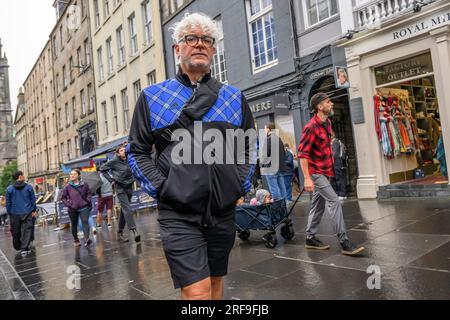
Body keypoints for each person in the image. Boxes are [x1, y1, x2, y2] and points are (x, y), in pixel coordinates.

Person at [127, 12, 255, 300]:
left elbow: (249, 144)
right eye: (190, 38)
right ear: (177, 49)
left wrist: (240, 184)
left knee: (215, 286)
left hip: (222, 212)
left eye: (206, 39)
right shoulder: (152, 97)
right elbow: (136, 150)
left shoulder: (234, 97)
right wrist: (162, 187)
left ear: (213, 48)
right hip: (179, 214)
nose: (199, 43)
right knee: (197, 292)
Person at [298, 92, 364, 256]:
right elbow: (302, 154)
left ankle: (310, 237)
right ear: (320, 107)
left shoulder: (327, 123)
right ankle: (344, 241)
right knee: (334, 201)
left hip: (325, 171)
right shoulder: (310, 127)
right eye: (328, 102)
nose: (332, 103)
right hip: (316, 173)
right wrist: (307, 178)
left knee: (317, 205)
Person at [100, 143, 140, 243]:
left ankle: (119, 232)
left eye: (124, 150)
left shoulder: (129, 158)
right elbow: (102, 169)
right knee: (128, 209)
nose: (124, 151)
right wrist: (111, 180)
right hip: (120, 187)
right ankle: (134, 230)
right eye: (121, 150)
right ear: (118, 153)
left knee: (124, 210)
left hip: (129, 186)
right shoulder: (114, 161)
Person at [5, 171, 37, 256]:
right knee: (27, 230)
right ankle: (24, 248)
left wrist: (10, 212)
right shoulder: (29, 187)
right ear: (20, 176)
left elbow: (8, 203)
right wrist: (34, 210)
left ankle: (18, 246)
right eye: (23, 175)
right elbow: (32, 200)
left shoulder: (9, 189)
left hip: (14, 213)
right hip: (27, 211)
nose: (24, 176)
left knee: (16, 231)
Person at [61, 169, 93, 247]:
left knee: (85, 222)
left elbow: (89, 193)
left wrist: (88, 200)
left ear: (79, 175)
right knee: (74, 224)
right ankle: (76, 239)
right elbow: (63, 198)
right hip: (73, 208)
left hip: (83, 207)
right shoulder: (67, 186)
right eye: (71, 174)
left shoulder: (84, 184)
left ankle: (86, 238)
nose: (72, 175)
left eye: (74, 174)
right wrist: (69, 205)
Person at [260, 123, 288, 201]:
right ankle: (284, 205)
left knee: (274, 188)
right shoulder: (279, 139)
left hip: (271, 167)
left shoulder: (268, 139)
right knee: (282, 186)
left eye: (265, 128)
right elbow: (284, 153)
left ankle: (278, 206)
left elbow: (265, 154)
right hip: (280, 167)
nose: (264, 130)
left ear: (269, 129)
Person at [330, 131, 348, 200]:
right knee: (336, 178)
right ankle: (338, 193)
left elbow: (334, 154)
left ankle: (342, 194)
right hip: (337, 163)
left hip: (337, 163)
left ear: (332, 135)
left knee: (339, 179)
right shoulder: (334, 142)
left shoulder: (335, 142)